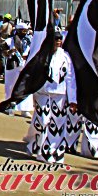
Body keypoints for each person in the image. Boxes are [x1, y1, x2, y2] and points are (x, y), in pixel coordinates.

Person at [27, 30, 77, 164]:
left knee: (58, 123)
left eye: (60, 40)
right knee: (43, 120)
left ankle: (54, 152)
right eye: (56, 39)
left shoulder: (66, 57)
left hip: (60, 93)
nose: (58, 42)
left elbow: (70, 78)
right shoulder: (42, 54)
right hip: (42, 92)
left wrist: (73, 99)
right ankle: (37, 146)